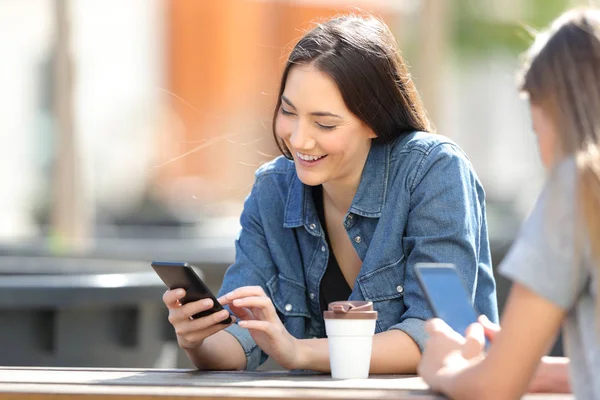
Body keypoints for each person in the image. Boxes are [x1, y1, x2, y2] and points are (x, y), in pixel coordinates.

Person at [162, 13, 498, 373]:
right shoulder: (273, 189)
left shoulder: (433, 171)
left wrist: (300, 351)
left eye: (324, 123)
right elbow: (243, 336)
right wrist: (199, 340)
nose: (299, 139)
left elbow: (440, 334)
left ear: (374, 119)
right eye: (289, 112)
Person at [418, 8, 600, 399]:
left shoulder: (580, 186)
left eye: (537, 129)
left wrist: (445, 368)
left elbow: (494, 389)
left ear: (557, 112)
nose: (543, 153)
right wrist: (526, 362)